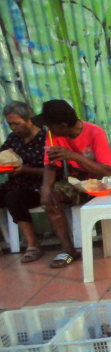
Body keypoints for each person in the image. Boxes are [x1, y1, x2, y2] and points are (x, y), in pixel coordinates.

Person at [40, 99, 111, 268]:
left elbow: (107, 171)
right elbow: (50, 164)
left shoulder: (95, 132)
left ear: (61, 125)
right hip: (80, 180)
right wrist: (45, 189)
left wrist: (73, 156)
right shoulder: (53, 135)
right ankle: (69, 249)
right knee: (51, 197)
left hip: (104, 179)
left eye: (50, 125)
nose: (48, 129)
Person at [1, 102, 48, 263]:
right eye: (10, 124)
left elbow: (54, 171)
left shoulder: (46, 138)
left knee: (14, 198)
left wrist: (24, 169)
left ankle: (33, 244)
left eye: (17, 123)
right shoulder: (13, 139)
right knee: (9, 193)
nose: (14, 128)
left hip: (38, 187)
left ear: (30, 120)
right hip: (15, 183)